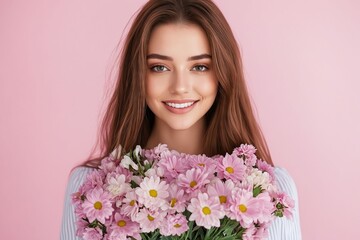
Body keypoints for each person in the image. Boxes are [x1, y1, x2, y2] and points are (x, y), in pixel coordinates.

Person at [61, 0, 301, 239]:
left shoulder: (270, 190)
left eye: (199, 67)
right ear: (137, 75)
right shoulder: (88, 187)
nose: (180, 87)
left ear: (223, 73)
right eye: (159, 67)